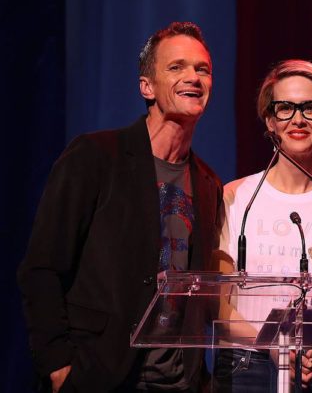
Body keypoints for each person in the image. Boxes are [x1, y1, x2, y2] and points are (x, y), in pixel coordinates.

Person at [17, 21, 223, 392]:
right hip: (101, 375)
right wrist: (58, 365)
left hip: (179, 382)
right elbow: (42, 268)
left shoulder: (208, 182)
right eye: (177, 67)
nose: (193, 77)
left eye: (202, 69)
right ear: (147, 86)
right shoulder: (95, 156)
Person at [214, 60, 312, 392]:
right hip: (245, 365)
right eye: (285, 108)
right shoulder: (235, 196)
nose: (297, 119)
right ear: (270, 120)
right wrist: (272, 344)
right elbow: (216, 301)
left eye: (310, 108)